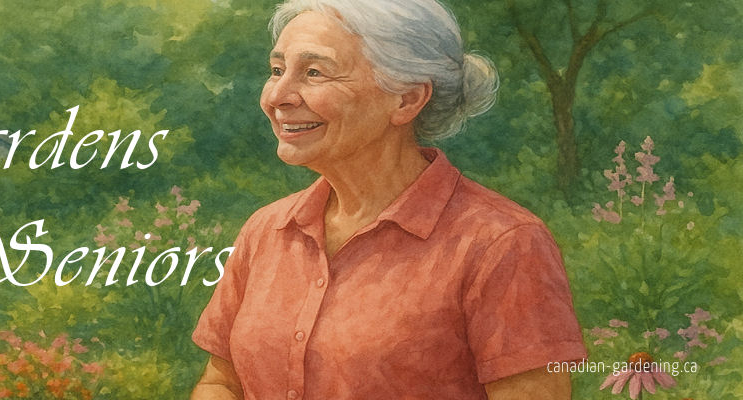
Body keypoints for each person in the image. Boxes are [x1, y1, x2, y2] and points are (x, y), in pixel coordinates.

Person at [189, 0, 587, 399]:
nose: (277, 95)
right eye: (277, 70)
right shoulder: (267, 230)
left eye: (314, 72)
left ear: (406, 100)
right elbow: (220, 381)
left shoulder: (503, 242)